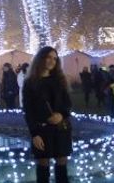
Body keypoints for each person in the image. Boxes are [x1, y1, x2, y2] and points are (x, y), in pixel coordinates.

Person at [23, 46, 72, 183]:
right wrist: (35, 134)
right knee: (43, 167)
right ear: (41, 58)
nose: (52, 61)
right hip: (42, 129)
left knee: (61, 165)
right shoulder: (30, 83)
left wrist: (61, 115)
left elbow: (67, 104)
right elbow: (28, 110)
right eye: (49, 57)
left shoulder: (60, 80)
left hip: (60, 129)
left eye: (55, 59)